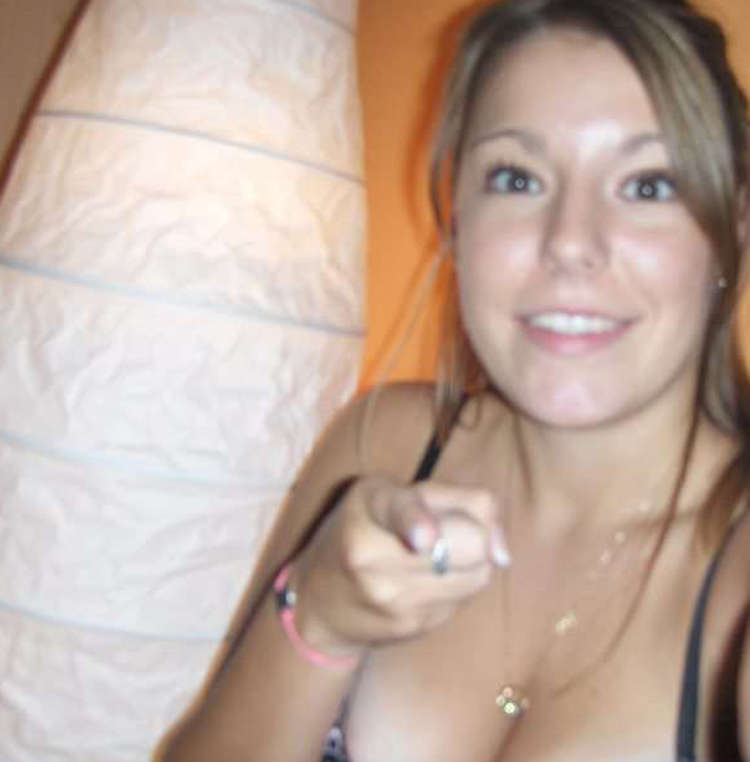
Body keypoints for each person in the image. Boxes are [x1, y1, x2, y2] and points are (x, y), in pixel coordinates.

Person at [160, 0, 750, 759]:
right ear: (458, 214)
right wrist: (316, 620)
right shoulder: (384, 448)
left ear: (734, 228)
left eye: (647, 186)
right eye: (517, 178)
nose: (570, 243)